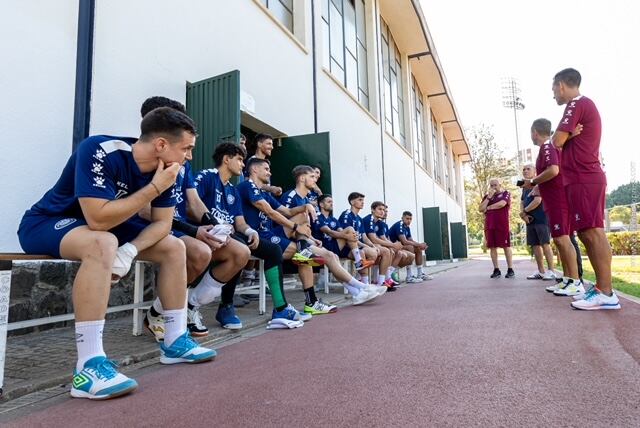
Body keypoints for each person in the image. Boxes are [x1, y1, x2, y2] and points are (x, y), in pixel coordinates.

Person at [17, 107, 216, 400]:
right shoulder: (99, 149)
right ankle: (88, 366)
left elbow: (162, 224)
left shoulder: (171, 170)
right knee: (103, 242)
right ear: (161, 145)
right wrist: (154, 188)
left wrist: (130, 251)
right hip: (48, 222)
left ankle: (175, 340)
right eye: (186, 148)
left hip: (110, 226)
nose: (189, 156)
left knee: (175, 246)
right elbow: (97, 219)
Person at [138, 98, 250, 340]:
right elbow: (144, 210)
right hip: (154, 228)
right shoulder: (142, 159)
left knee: (239, 252)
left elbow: (193, 201)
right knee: (201, 252)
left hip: (178, 227)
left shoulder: (182, 163)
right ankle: (160, 314)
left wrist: (213, 223)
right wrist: (193, 230)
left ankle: (188, 306)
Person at [193, 143, 312, 326]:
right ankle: (226, 306)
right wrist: (214, 224)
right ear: (226, 159)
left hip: (233, 234)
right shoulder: (209, 176)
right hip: (206, 233)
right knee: (240, 247)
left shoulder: (232, 190)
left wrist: (249, 230)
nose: (242, 164)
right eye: (239, 159)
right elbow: (192, 204)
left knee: (273, 251)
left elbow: (240, 222)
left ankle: (280, 309)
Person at [550, 68, 619, 310]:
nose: (553, 96)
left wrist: (563, 137)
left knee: (593, 232)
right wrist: (566, 137)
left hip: (584, 177)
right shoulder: (580, 105)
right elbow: (558, 140)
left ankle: (606, 292)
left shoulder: (576, 103)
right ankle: (602, 288)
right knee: (587, 233)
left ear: (561, 86)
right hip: (581, 178)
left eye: (553, 90)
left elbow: (556, 140)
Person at [269, 163, 384, 308]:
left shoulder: (306, 200)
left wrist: (312, 239)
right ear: (302, 178)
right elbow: (282, 220)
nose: (315, 180)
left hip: (300, 240)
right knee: (306, 222)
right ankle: (362, 287)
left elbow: (305, 228)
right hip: (283, 239)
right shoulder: (291, 196)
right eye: (312, 176)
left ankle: (357, 292)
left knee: (331, 256)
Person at [525, 118, 583, 296]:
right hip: (553, 199)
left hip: (558, 199)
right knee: (559, 240)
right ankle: (567, 279)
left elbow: (554, 170)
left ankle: (574, 281)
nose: (531, 136)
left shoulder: (547, 147)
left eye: (531, 132)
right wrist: (536, 185)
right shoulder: (549, 147)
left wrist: (533, 180)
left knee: (563, 240)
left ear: (535, 131)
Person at [313, 194, 375, 272]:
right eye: (329, 202)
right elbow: (329, 232)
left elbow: (341, 231)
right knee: (349, 229)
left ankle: (364, 281)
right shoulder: (317, 216)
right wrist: (348, 236)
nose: (332, 204)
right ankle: (358, 261)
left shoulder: (333, 219)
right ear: (321, 204)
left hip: (335, 246)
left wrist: (349, 236)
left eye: (332, 202)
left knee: (360, 251)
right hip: (324, 247)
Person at [363, 202, 413, 288]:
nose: (383, 212)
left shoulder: (380, 223)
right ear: (372, 210)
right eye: (380, 209)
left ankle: (385, 279)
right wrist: (393, 245)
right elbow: (373, 238)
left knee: (390, 250)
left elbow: (383, 238)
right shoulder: (369, 219)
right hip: (365, 245)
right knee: (387, 251)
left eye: (384, 210)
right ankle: (381, 280)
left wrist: (392, 245)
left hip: (374, 245)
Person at [519, 164, 556, 281]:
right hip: (530, 220)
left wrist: (524, 211)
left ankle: (551, 271)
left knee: (545, 244)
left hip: (541, 218)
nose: (525, 171)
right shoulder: (524, 187)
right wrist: (523, 215)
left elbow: (537, 200)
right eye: (523, 169)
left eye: (528, 169)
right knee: (535, 246)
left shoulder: (538, 184)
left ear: (535, 172)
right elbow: (522, 202)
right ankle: (541, 271)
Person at [479, 178, 514, 278]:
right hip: (489, 225)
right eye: (491, 185)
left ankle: (510, 269)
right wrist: (488, 198)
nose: (493, 187)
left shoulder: (505, 193)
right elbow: (481, 209)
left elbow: (502, 204)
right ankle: (496, 269)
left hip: (502, 225)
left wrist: (489, 207)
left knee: (506, 247)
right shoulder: (487, 197)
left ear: (500, 185)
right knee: (492, 247)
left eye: (495, 185)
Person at [388, 211, 431, 282]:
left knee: (418, 248)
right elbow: (404, 241)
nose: (409, 221)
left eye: (410, 219)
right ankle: (409, 276)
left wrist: (420, 245)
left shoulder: (407, 227)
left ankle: (420, 274)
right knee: (410, 247)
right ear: (402, 218)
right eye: (407, 218)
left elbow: (411, 240)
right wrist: (419, 244)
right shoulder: (399, 225)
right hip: (393, 247)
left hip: (400, 247)